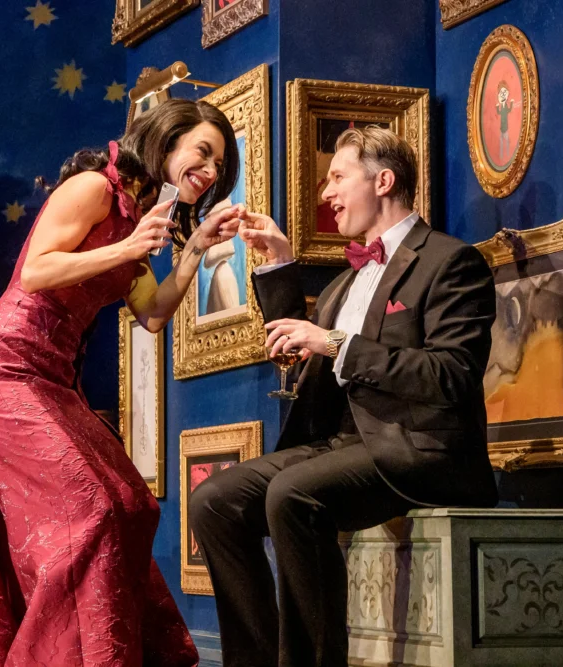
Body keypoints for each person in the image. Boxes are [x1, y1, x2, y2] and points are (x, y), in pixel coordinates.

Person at [190, 125, 498, 667]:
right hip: (338, 444)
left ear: (383, 180)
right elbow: (302, 348)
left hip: (420, 448)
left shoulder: (451, 262)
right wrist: (281, 262)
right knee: (213, 501)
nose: (325, 194)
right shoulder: (343, 282)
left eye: (336, 177)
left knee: (292, 493)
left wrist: (334, 341)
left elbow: (452, 375)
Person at [0, 99, 243, 667]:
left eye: (218, 166)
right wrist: (130, 247)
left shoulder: (137, 218)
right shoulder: (93, 189)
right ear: (165, 140)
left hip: (54, 378)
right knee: (93, 509)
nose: (208, 172)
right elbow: (35, 270)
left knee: (133, 504)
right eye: (202, 152)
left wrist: (194, 252)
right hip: (0, 368)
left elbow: (154, 314)